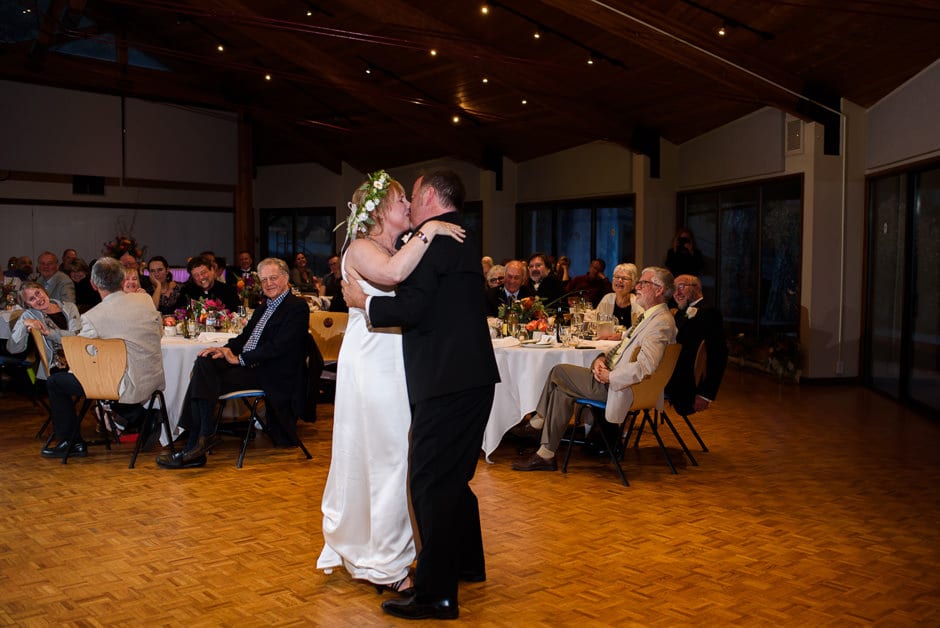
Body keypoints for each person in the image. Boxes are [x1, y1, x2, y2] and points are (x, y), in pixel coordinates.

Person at [343, 169, 500, 621]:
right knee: (452, 482)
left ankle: (437, 595)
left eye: (413, 196)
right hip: (469, 379)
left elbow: (413, 307)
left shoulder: (436, 243)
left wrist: (363, 303)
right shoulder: (460, 238)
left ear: (430, 195)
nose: (410, 205)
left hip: (447, 383)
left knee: (430, 484)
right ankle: (467, 564)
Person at [317, 170, 466, 597]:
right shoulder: (362, 249)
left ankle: (385, 550)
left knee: (396, 458)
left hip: (396, 362)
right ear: (381, 209)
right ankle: (386, 564)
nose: (409, 207)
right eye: (402, 200)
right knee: (389, 460)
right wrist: (432, 227)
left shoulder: (395, 245)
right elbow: (396, 276)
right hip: (374, 366)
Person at [511, 267, 677, 472]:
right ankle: (545, 454)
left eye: (643, 283)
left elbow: (646, 365)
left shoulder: (660, 322)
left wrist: (611, 376)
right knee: (563, 390)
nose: (637, 287)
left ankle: (538, 422)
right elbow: (622, 348)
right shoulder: (651, 317)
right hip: (616, 380)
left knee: (559, 372)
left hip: (624, 389)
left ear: (659, 290)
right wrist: (601, 359)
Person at [156, 257, 309, 468]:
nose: (268, 284)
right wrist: (224, 350)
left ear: (285, 278)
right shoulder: (265, 306)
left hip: (270, 371)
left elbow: (278, 347)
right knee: (205, 361)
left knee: (204, 376)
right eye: (264, 280)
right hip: (251, 366)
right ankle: (202, 439)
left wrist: (240, 359)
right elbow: (244, 338)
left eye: (273, 278)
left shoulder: (296, 307)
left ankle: (195, 445)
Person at [40, 257, 164, 458]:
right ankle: (142, 417)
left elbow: (81, 355)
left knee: (56, 382)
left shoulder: (93, 316)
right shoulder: (145, 299)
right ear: (123, 279)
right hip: (152, 376)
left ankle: (70, 442)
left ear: (93, 283)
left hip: (124, 384)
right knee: (104, 374)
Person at [665, 275, 728, 416]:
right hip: (670, 376)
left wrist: (706, 394)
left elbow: (719, 354)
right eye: (674, 289)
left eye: (681, 286)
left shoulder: (710, 313)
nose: (677, 293)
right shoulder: (681, 312)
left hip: (684, 386)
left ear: (697, 288)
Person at [6, 282, 81, 379]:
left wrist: (49, 333)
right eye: (32, 299)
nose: (38, 299)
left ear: (44, 291)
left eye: (38, 293)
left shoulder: (69, 307)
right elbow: (13, 349)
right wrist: (23, 324)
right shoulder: (29, 315)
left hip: (79, 358)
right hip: (55, 366)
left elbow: (76, 337)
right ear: (27, 304)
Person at [596, 263, 643, 331]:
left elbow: (640, 331)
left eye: (624, 278)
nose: (620, 280)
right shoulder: (607, 299)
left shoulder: (638, 303)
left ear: (633, 283)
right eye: (617, 277)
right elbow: (596, 323)